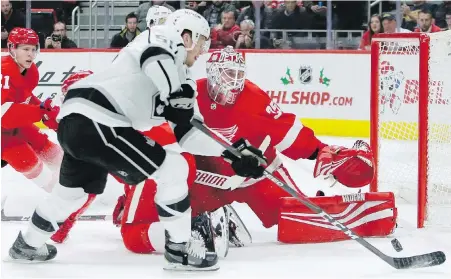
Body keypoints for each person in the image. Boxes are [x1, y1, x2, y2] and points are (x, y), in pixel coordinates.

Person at [7, 10, 266, 272]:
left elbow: (188, 134)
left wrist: (233, 153)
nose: (203, 50)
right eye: (201, 41)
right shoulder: (164, 37)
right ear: (186, 36)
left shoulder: (183, 78)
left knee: (72, 194)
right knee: (174, 168)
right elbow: (154, 58)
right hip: (102, 120)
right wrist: (174, 95)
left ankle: (26, 245)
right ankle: (179, 251)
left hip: (77, 122)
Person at [114, 47, 376, 255]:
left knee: (297, 219)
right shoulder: (189, 96)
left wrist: (320, 153)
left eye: (237, 74)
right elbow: (157, 145)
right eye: (227, 74)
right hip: (202, 181)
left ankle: (363, 217)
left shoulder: (253, 98)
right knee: (164, 215)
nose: (234, 82)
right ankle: (201, 218)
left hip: (254, 176)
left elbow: (286, 131)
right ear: (213, 73)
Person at [50, 5, 174, 244]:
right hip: (118, 126)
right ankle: (68, 221)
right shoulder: (140, 48)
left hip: (131, 124)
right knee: (100, 183)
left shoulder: (164, 52)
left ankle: (125, 206)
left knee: (143, 173)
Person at [1, 27, 62, 194]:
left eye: (34, 49)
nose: (31, 54)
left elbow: (24, 97)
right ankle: (56, 195)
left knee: (46, 146)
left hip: (13, 126)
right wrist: (39, 112)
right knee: (26, 160)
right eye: (25, 49)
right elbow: (4, 116)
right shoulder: (4, 72)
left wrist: (44, 110)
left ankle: (76, 182)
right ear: (12, 49)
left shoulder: (30, 71)